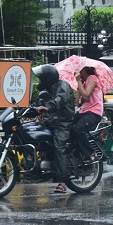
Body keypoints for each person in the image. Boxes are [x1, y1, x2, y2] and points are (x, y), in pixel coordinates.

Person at [33, 64, 75, 193]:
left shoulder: (63, 86)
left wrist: (48, 107)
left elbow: (60, 99)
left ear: (48, 78)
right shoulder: (47, 90)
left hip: (63, 122)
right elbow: (39, 102)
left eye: (41, 79)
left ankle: (62, 182)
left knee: (59, 148)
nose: (40, 82)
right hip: (50, 121)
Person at [72, 66, 103, 164]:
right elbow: (78, 104)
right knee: (67, 125)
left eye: (78, 70)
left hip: (94, 112)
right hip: (84, 111)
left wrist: (79, 82)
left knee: (78, 129)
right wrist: (79, 87)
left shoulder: (93, 78)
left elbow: (86, 95)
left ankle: (91, 154)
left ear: (84, 70)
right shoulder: (84, 83)